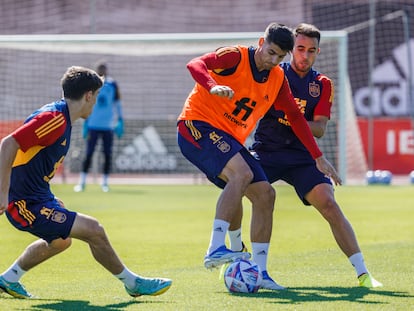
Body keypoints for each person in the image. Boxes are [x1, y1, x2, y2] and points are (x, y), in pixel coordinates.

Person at [177, 22, 341, 291]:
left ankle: (260, 271)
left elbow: (297, 119)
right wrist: (212, 85)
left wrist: (318, 157)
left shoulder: (278, 78)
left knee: (266, 194)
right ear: (261, 42)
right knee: (242, 174)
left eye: (280, 57)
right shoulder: (236, 56)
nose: (273, 60)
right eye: (271, 52)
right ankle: (216, 247)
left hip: (229, 139)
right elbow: (195, 64)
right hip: (196, 125)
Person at [229, 23, 382, 288]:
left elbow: (320, 129)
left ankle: (364, 274)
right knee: (234, 183)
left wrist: (287, 116)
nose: (305, 55)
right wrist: (297, 119)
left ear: (318, 53)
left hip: (302, 157)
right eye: (300, 49)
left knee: (329, 203)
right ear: (291, 51)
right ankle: (237, 252)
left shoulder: (322, 84)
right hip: (268, 150)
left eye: (311, 51)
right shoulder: (275, 73)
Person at [0, 66, 172, 299]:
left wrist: (46, 197)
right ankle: (133, 283)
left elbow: (30, 160)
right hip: (21, 203)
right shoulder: (54, 118)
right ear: (88, 95)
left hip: (37, 197)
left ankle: (8, 279)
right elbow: (8, 144)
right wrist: (3, 193)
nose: (96, 103)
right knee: (94, 230)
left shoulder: (62, 118)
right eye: (97, 97)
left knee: (61, 241)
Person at [74, 61, 124, 193]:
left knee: (107, 154)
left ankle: (105, 183)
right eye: (100, 69)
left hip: (108, 126)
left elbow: (117, 103)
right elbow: (85, 103)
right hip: (93, 125)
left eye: (104, 69)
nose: (102, 71)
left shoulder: (112, 85)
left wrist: (120, 119)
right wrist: (85, 122)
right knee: (89, 154)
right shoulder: (91, 85)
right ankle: (82, 182)